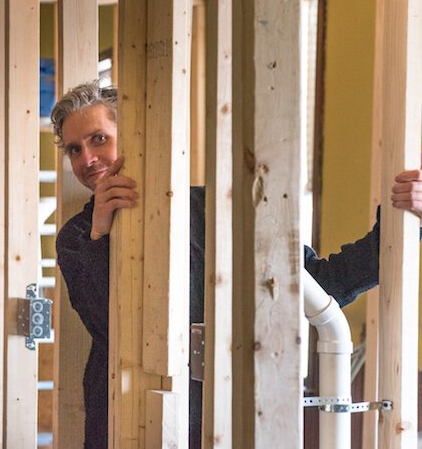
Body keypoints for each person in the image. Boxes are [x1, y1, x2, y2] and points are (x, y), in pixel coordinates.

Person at [52, 80, 422, 449]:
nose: (86, 159)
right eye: (74, 149)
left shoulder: (211, 209)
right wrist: (100, 234)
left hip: (222, 419)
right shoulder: (77, 238)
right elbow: (109, 329)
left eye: (98, 139)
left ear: (132, 135)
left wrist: (407, 221)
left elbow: (322, 283)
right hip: (120, 422)